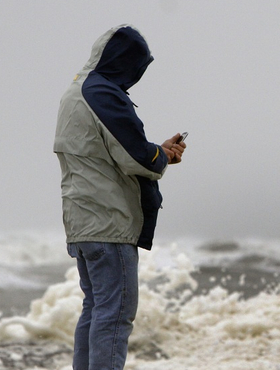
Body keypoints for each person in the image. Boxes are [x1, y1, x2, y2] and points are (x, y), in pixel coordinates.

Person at [53, 24, 186, 370]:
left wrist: (155, 150)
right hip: (109, 222)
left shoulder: (76, 91)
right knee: (115, 315)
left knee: (95, 309)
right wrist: (163, 155)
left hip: (83, 221)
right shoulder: (103, 93)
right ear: (124, 62)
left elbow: (110, 151)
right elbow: (136, 157)